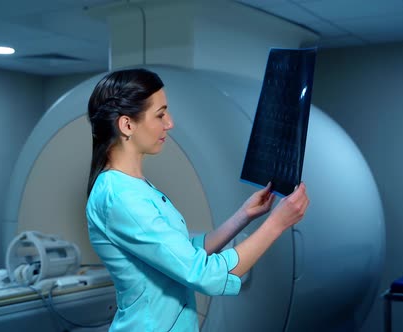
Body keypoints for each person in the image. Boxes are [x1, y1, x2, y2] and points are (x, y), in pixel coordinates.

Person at [85, 68, 309, 332]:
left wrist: (244, 216)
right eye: (160, 115)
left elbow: (183, 253)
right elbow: (202, 274)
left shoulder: (134, 188)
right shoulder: (120, 197)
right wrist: (276, 224)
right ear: (127, 125)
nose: (170, 123)